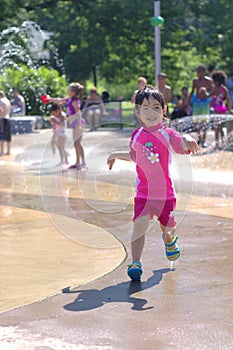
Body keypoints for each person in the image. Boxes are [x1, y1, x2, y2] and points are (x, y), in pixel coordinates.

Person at [107, 87, 198, 281]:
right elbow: (135, 156)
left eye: (156, 107)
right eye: (145, 108)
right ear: (137, 112)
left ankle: (170, 240)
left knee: (166, 229)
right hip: (144, 194)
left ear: (163, 111)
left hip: (165, 195)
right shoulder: (137, 135)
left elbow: (180, 144)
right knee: (139, 227)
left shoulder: (167, 133)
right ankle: (136, 262)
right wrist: (115, 154)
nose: (151, 112)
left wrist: (188, 139)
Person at [49, 82, 87, 170]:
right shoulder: (69, 99)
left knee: (78, 142)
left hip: (77, 123)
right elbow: (59, 100)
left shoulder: (74, 101)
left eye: (69, 88)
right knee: (76, 143)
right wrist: (50, 99)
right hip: (74, 124)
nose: (67, 89)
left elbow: (78, 112)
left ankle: (84, 163)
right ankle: (77, 163)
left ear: (73, 92)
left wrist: (80, 124)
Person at [189, 64, 213, 148]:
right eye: (197, 71)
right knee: (196, 122)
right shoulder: (195, 80)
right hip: (197, 103)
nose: (198, 73)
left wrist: (206, 93)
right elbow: (192, 91)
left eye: (200, 71)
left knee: (205, 122)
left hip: (205, 103)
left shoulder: (209, 81)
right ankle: (200, 137)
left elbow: (212, 92)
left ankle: (204, 140)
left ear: (204, 72)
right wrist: (188, 102)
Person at [210, 70, 232, 149]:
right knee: (221, 126)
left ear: (215, 81)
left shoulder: (214, 88)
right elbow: (228, 100)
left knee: (216, 127)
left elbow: (210, 97)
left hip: (216, 108)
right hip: (222, 108)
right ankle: (223, 143)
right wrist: (229, 109)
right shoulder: (224, 89)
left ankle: (217, 144)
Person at [0, 91, 11, 156]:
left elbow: (1, 109)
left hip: (2, 119)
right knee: (7, 135)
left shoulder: (1, 101)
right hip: (8, 118)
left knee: (1, 135)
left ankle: (2, 151)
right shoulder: (7, 100)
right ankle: (8, 151)